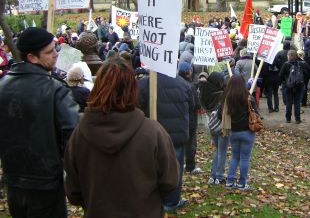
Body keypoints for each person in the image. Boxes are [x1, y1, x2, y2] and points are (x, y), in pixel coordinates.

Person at [64, 58, 179, 218]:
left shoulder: (79, 135)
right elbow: (170, 182)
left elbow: (73, 191)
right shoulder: (153, 132)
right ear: (132, 89)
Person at [0, 27, 79, 217]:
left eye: (55, 49)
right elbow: (73, 138)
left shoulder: (2, 87)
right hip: (46, 183)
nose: (56, 55)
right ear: (32, 57)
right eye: (49, 51)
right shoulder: (56, 90)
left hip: (14, 180)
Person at [138, 68, 192, 212]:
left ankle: (158, 199)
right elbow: (193, 105)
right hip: (176, 135)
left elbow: (138, 105)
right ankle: (171, 200)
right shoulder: (184, 84)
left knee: (152, 167)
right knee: (175, 168)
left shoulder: (144, 84)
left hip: (153, 135)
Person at [219, 75, 258, 190]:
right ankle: (242, 183)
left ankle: (230, 181)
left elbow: (219, 115)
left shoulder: (227, 98)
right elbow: (256, 112)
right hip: (247, 131)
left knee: (235, 157)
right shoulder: (248, 97)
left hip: (233, 132)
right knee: (245, 158)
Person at [198, 72, 229, 185]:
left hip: (211, 124)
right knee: (222, 151)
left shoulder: (203, 92)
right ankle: (219, 176)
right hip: (221, 124)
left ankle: (213, 175)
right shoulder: (221, 94)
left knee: (218, 150)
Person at [280, 50, 310, 123]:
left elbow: (280, 75)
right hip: (299, 85)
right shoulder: (303, 63)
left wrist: (284, 82)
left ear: (290, 56)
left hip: (289, 86)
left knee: (289, 102)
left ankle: (288, 119)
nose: (287, 56)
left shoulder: (286, 64)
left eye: (288, 55)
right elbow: (309, 73)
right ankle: (297, 119)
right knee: (297, 102)